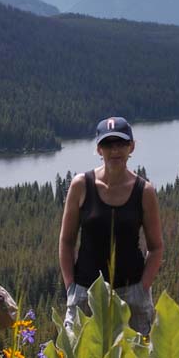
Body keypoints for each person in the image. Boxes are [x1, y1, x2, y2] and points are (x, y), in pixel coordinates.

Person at [58, 116, 164, 336]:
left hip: (130, 292)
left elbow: (156, 248)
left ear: (131, 146)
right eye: (108, 144)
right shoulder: (81, 185)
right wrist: (71, 288)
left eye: (121, 144)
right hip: (85, 292)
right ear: (99, 149)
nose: (114, 151)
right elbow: (66, 241)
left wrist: (142, 289)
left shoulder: (144, 191)